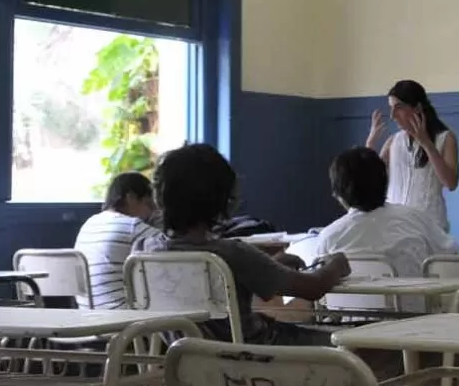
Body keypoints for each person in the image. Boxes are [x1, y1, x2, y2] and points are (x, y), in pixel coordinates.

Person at [134, 143, 350, 344]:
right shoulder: (232, 254)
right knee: (352, 343)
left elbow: (223, 285)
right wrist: (336, 263)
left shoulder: (144, 251)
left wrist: (272, 264)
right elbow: (314, 288)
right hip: (256, 357)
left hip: (188, 358)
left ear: (159, 197)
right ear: (222, 198)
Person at [314, 147, 459, 297]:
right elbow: (451, 257)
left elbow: (322, 294)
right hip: (417, 316)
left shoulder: (329, 237)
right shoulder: (415, 219)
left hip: (352, 317)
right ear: (385, 182)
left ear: (338, 195)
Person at [366, 79, 459, 232]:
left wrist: (427, 144)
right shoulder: (393, 141)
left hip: (431, 228)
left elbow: (451, 183)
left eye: (399, 107)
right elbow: (371, 179)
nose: (392, 115)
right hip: (394, 227)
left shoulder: (445, 138)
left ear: (417, 108)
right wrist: (370, 144)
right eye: (391, 108)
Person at [74, 172, 159, 309]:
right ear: (131, 197)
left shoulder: (90, 223)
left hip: (87, 316)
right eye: (148, 204)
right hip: (122, 318)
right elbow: (172, 246)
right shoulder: (132, 226)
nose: (151, 211)